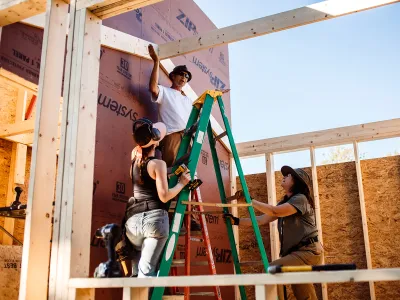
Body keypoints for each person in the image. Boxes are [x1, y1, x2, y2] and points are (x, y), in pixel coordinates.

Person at [224, 166, 323, 300]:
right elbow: (262, 220)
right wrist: (236, 221)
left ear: (297, 182)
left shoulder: (301, 199)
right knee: (304, 295)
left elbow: (275, 211)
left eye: (289, 175)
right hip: (298, 253)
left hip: (308, 251)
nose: (284, 176)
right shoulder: (285, 203)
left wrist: (250, 201)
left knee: (272, 269)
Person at [125, 118, 191, 279]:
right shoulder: (158, 164)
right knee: (146, 274)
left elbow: (148, 178)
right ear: (155, 142)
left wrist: (168, 173)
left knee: (136, 275)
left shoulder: (134, 163)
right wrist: (181, 184)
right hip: (153, 222)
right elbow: (164, 196)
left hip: (132, 224)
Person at [148, 44, 201, 232]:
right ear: (172, 76)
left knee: (190, 176)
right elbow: (153, 88)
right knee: (175, 174)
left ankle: (190, 219)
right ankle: (170, 216)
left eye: (186, 77)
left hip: (189, 139)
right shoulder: (166, 92)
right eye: (181, 75)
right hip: (172, 137)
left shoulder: (188, 100)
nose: (184, 78)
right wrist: (156, 62)